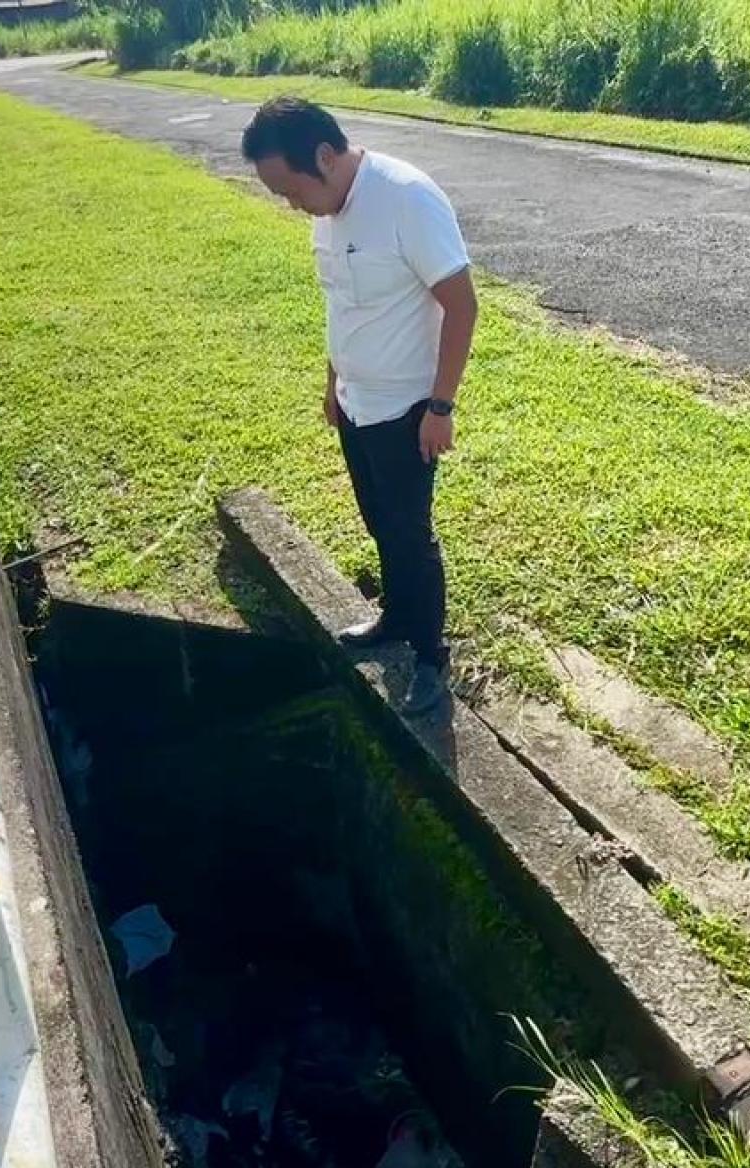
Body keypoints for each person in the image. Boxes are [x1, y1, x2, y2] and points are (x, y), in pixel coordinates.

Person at [240, 97, 478, 714]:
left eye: (289, 190)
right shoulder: (326, 210)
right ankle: (395, 620)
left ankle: (430, 659)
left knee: (408, 535)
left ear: (323, 156)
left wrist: (441, 406)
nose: (291, 205)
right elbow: (341, 305)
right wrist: (333, 384)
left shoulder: (406, 198)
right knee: (379, 523)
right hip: (355, 403)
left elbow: (462, 305)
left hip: (406, 410)